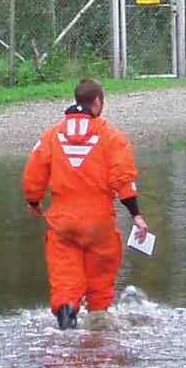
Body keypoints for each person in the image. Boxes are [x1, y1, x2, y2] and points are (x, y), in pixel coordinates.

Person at [22, 78, 148, 329]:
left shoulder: (52, 135)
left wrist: (34, 202)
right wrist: (136, 215)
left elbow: (33, 173)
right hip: (99, 224)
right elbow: (124, 179)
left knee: (65, 282)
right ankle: (98, 325)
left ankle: (67, 329)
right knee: (100, 284)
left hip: (63, 224)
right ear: (98, 103)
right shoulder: (112, 138)